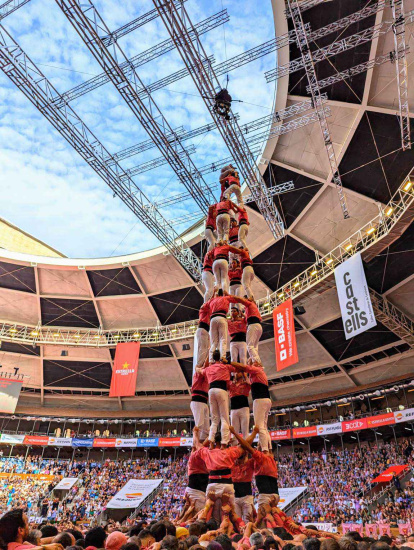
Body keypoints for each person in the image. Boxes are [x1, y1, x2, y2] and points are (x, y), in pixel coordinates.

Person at [201, 350, 238, 447]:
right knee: (224, 418)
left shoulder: (209, 368)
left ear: (213, 358)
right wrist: (227, 362)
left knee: (214, 420)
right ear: (220, 357)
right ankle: (224, 443)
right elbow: (235, 368)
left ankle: (211, 443)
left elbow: (201, 371)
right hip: (221, 390)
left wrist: (200, 367)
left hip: (211, 390)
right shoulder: (225, 366)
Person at [208, 292, 240, 360]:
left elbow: (207, 304)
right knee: (223, 340)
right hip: (221, 317)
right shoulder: (225, 298)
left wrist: (213, 293)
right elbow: (237, 299)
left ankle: (211, 359)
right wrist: (228, 294)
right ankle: (223, 357)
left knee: (214, 342)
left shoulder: (212, 300)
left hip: (212, 319)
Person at [234, 297, 262, 364]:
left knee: (249, 346)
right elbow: (247, 319)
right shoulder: (252, 307)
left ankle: (257, 362)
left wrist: (231, 296)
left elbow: (241, 300)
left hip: (253, 325)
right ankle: (254, 361)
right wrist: (243, 315)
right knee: (254, 347)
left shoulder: (249, 304)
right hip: (258, 326)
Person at [229, 372, 251, 439]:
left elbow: (250, 383)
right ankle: (234, 447)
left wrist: (245, 376)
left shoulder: (245, 384)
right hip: (234, 409)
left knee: (245, 431)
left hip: (244, 408)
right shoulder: (231, 384)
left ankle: (246, 448)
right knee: (234, 432)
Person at [190, 368, 209, 442]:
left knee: (206, 429)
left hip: (204, 402)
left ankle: (202, 447)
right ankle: (194, 447)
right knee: (199, 425)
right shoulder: (198, 374)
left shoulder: (207, 376)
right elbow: (203, 367)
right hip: (197, 401)